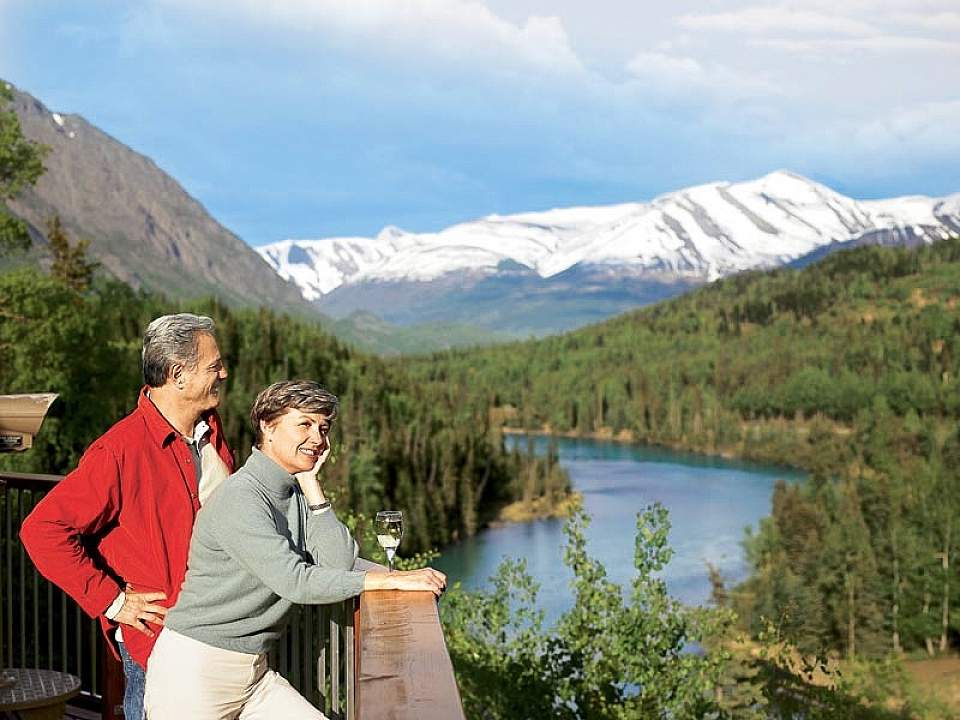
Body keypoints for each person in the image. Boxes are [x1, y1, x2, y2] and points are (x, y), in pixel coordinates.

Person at [144, 379, 446, 720]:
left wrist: (311, 483)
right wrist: (391, 581)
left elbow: (337, 564)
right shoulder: (242, 498)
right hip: (195, 675)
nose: (317, 438)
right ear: (267, 426)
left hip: (253, 676)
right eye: (304, 424)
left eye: (323, 427)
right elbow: (295, 582)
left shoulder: (294, 492)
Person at [20, 313, 234, 720]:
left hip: (218, 635)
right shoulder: (119, 451)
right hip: (159, 646)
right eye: (214, 366)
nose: (223, 373)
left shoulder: (210, 432)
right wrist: (113, 602)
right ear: (178, 375)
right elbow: (42, 530)